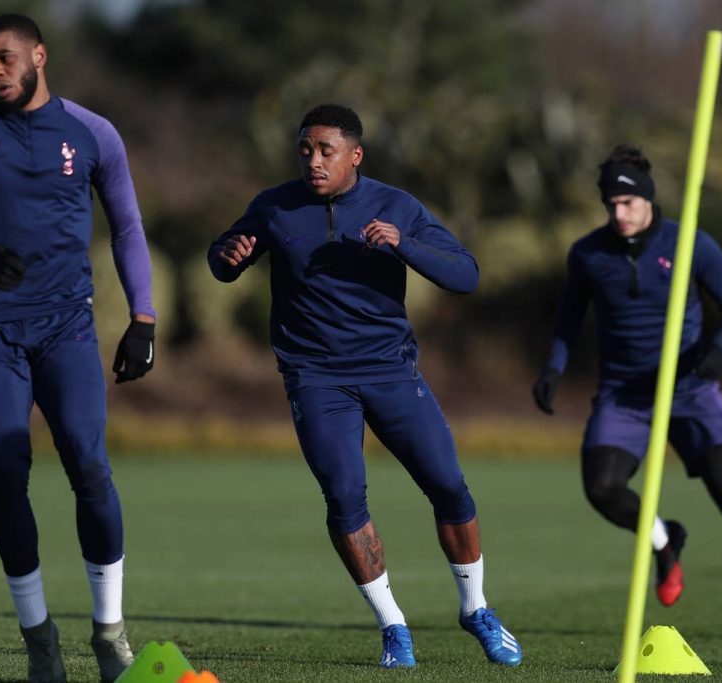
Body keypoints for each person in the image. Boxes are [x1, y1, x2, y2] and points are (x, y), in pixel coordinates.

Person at [208, 104, 523, 669]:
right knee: (344, 496)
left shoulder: (394, 205)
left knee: (449, 486)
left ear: (355, 155)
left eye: (326, 150)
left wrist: (403, 244)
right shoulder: (275, 205)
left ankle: (475, 609)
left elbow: (467, 274)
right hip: (316, 377)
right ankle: (393, 626)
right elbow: (226, 258)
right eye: (306, 149)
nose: (314, 161)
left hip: (389, 370)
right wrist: (227, 257)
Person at [0, 14, 156, 683]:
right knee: (6, 468)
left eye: (7, 57)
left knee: (89, 461)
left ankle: (109, 633)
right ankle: (38, 637)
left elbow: (128, 224)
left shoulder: (92, 132)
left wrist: (143, 317)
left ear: (39, 56)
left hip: (66, 326)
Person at [531, 144, 722, 645]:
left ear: (648, 200)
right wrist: (553, 369)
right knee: (601, 488)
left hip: (692, 391)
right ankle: (665, 540)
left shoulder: (689, 244)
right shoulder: (589, 254)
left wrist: (719, 353)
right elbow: (568, 318)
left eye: (628, 204)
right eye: (610, 205)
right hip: (624, 395)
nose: (619, 214)